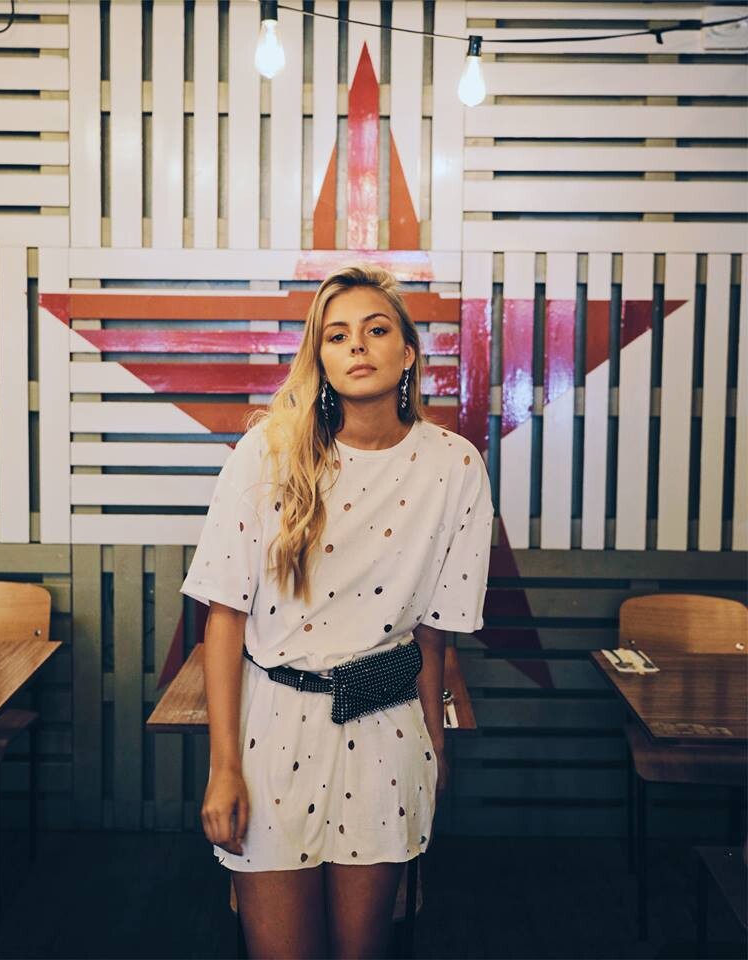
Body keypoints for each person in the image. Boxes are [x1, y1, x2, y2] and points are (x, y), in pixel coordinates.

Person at [180, 263, 494, 959]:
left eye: (376, 330)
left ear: (406, 352)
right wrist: (223, 766)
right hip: (273, 728)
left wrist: (434, 745)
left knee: (363, 950)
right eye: (337, 334)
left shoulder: (455, 467)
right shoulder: (267, 454)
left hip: (385, 726)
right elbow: (224, 619)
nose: (357, 345)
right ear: (319, 357)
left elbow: (433, 633)